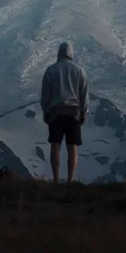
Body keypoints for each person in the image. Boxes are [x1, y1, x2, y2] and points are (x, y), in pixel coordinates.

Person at [40, 41, 89, 184]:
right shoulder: (79, 71)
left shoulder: (51, 70)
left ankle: (55, 180)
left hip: (55, 111)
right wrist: (84, 111)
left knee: (55, 145)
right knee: (72, 146)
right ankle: (70, 180)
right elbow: (84, 94)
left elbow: (45, 95)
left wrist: (45, 111)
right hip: (73, 111)